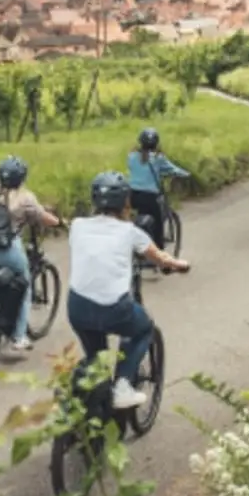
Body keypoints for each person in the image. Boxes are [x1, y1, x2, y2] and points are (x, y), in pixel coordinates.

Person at [66, 171, 189, 409]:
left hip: (78, 307)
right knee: (142, 328)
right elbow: (161, 258)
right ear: (125, 201)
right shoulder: (130, 232)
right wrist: (178, 264)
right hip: (114, 308)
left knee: (96, 358)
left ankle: (94, 405)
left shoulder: (77, 226)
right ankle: (122, 386)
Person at [0, 155, 63, 353]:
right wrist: (60, 223)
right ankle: (18, 336)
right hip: (9, 250)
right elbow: (43, 217)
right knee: (24, 286)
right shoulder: (25, 198)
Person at [126, 127, 190, 253]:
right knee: (158, 222)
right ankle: (159, 252)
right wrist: (186, 174)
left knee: (135, 216)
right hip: (150, 197)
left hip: (132, 195)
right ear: (156, 144)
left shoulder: (132, 156)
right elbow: (173, 169)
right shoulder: (158, 158)